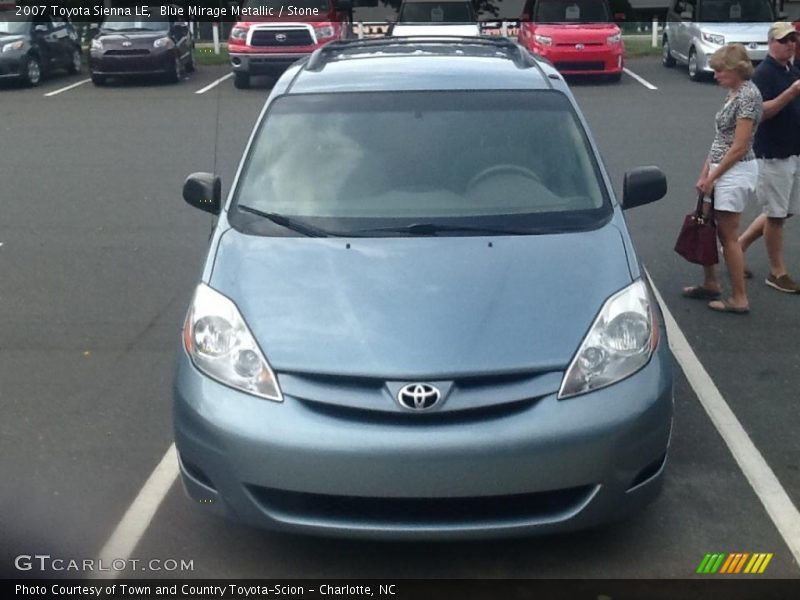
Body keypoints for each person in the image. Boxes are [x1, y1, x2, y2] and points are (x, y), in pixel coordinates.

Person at [682, 44, 762, 314]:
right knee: (705, 224)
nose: (715, 74)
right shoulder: (733, 93)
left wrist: (714, 176)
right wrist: (705, 173)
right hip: (719, 168)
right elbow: (720, 139)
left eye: (720, 70)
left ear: (736, 70)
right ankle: (711, 282)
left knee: (728, 236)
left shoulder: (748, 96)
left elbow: (739, 146)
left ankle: (740, 298)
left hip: (735, 171)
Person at [737, 22, 800, 293]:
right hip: (772, 155)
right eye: (784, 40)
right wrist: (791, 92)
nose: (790, 44)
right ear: (771, 42)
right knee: (775, 215)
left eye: (793, 39)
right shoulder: (763, 73)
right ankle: (777, 272)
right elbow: (761, 112)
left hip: (793, 152)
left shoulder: (791, 70)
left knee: (784, 211)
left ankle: (737, 247)